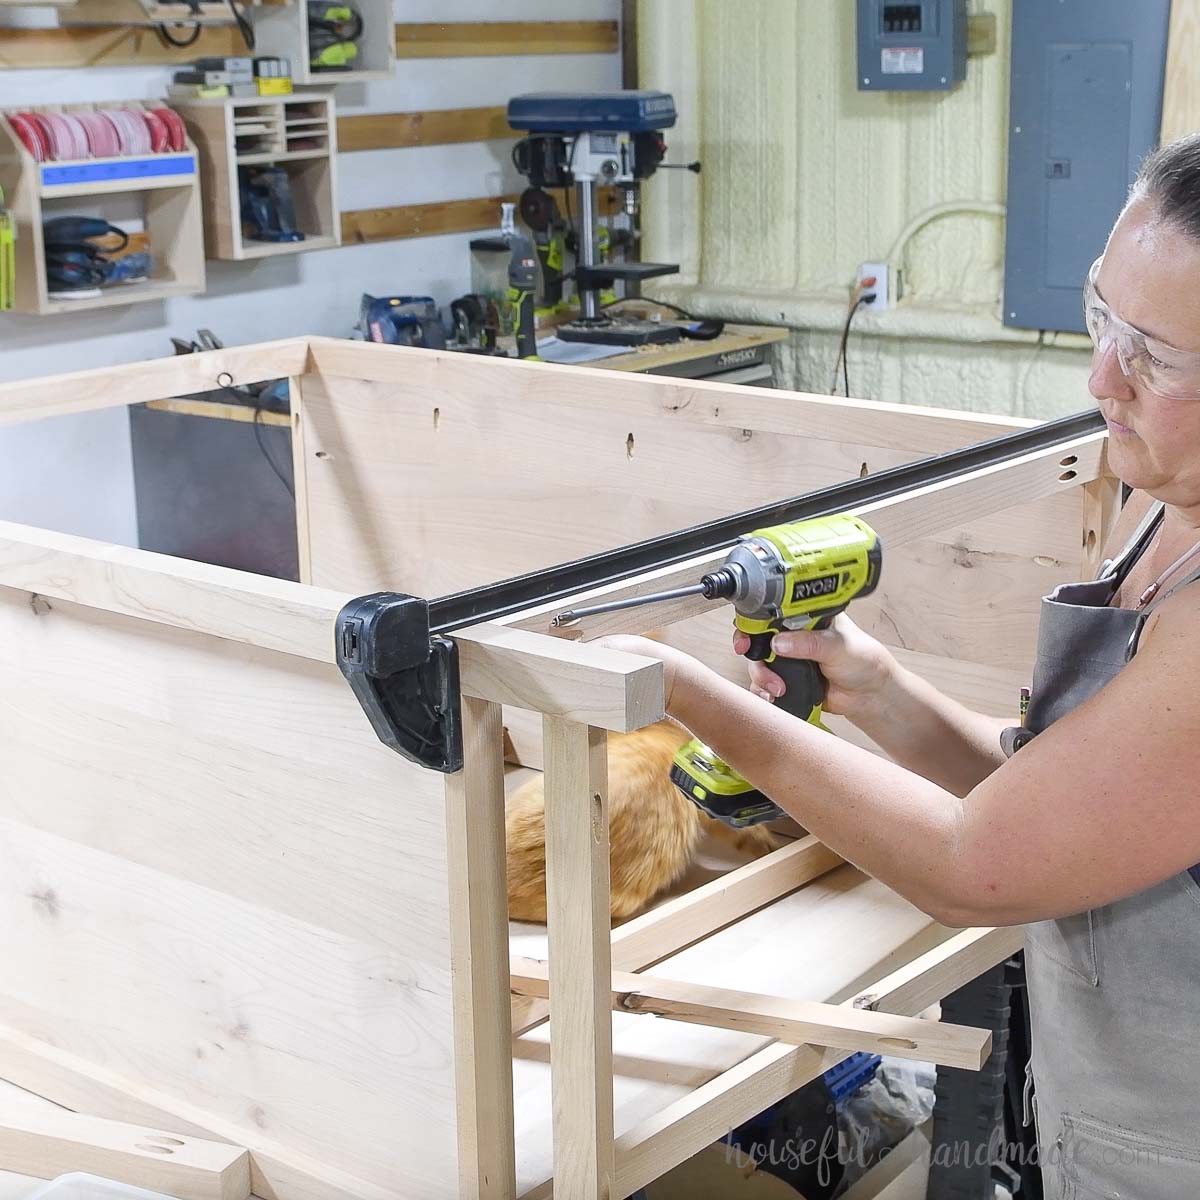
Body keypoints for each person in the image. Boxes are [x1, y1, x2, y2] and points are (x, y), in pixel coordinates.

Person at [603, 136, 1200, 1199]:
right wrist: (877, 690)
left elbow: (976, 867)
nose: (1101, 375)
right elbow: (1051, 792)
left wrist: (682, 689)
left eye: (1152, 356)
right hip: (1107, 1116)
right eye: (1103, 317)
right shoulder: (1170, 504)